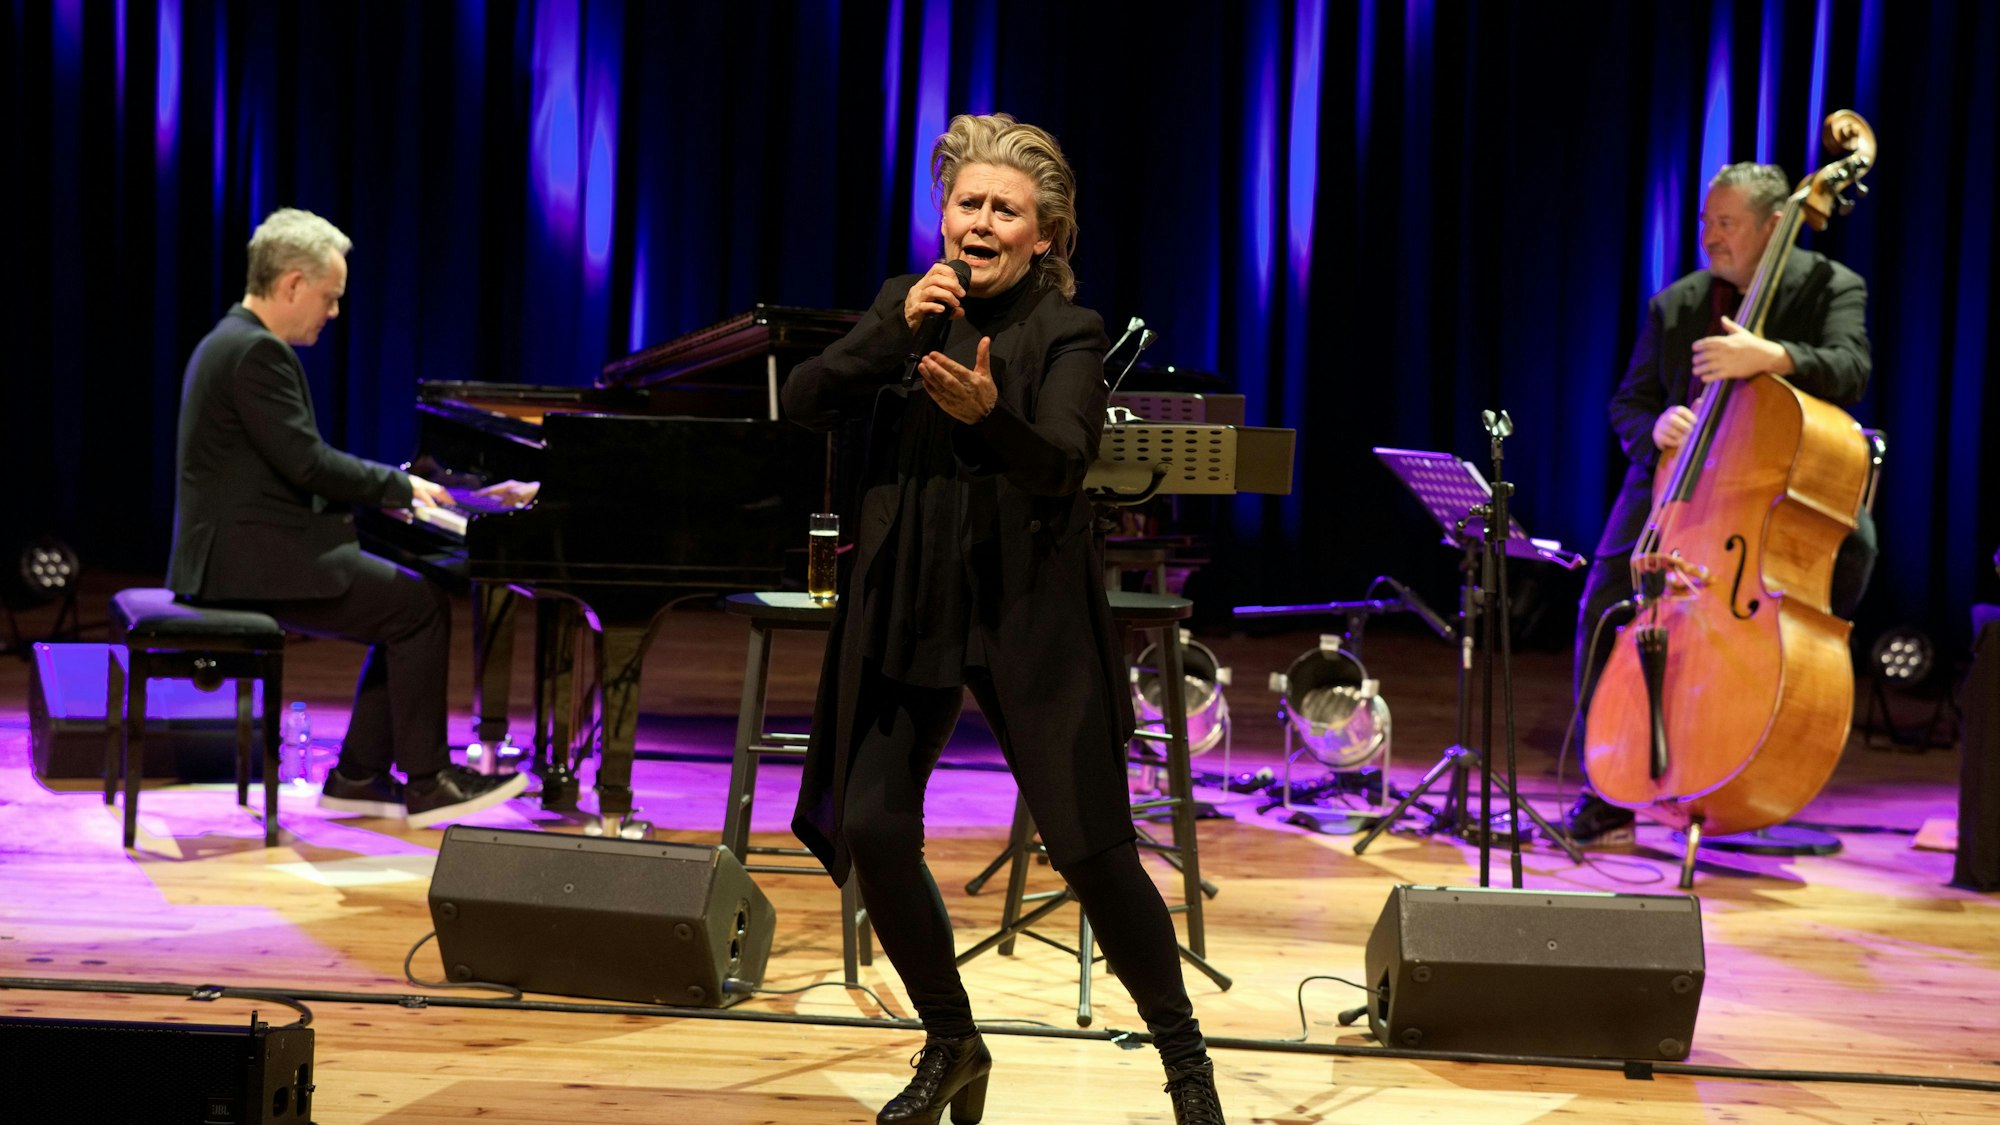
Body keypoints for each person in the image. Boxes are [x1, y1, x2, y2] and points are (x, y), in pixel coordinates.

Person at [780, 114, 1226, 1125]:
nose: (978, 223)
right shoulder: (907, 305)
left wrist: (990, 417)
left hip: (1026, 609)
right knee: (872, 822)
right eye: (965, 204)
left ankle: (1185, 1066)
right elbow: (805, 397)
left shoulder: (1066, 330)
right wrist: (890, 334)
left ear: (1045, 235)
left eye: (1003, 210)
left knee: (1091, 849)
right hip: (912, 599)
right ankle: (951, 1041)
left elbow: (1063, 463)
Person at [166, 207, 529, 828]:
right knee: (416, 608)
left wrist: (389, 493)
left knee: (407, 605)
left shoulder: (227, 342)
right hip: (250, 562)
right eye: (329, 297)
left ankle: (360, 776)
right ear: (292, 285)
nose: (334, 313)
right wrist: (400, 484)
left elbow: (290, 465)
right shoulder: (257, 353)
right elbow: (307, 464)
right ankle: (426, 782)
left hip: (239, 551)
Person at [1567, 162, 1875, 844]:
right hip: (1679, 488)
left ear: (1774, 226)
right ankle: (1607, 784)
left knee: (1856, 553)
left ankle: (1767, 730)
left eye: (1726, 224)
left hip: (1784, 486)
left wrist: (1771, 356)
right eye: (1707, 222)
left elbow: (1851, 367)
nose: (1710, 237)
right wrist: (1653, 428)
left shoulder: (1831, 287)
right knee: (1605, 593)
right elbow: (1628, 401)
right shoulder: (1678, 303)